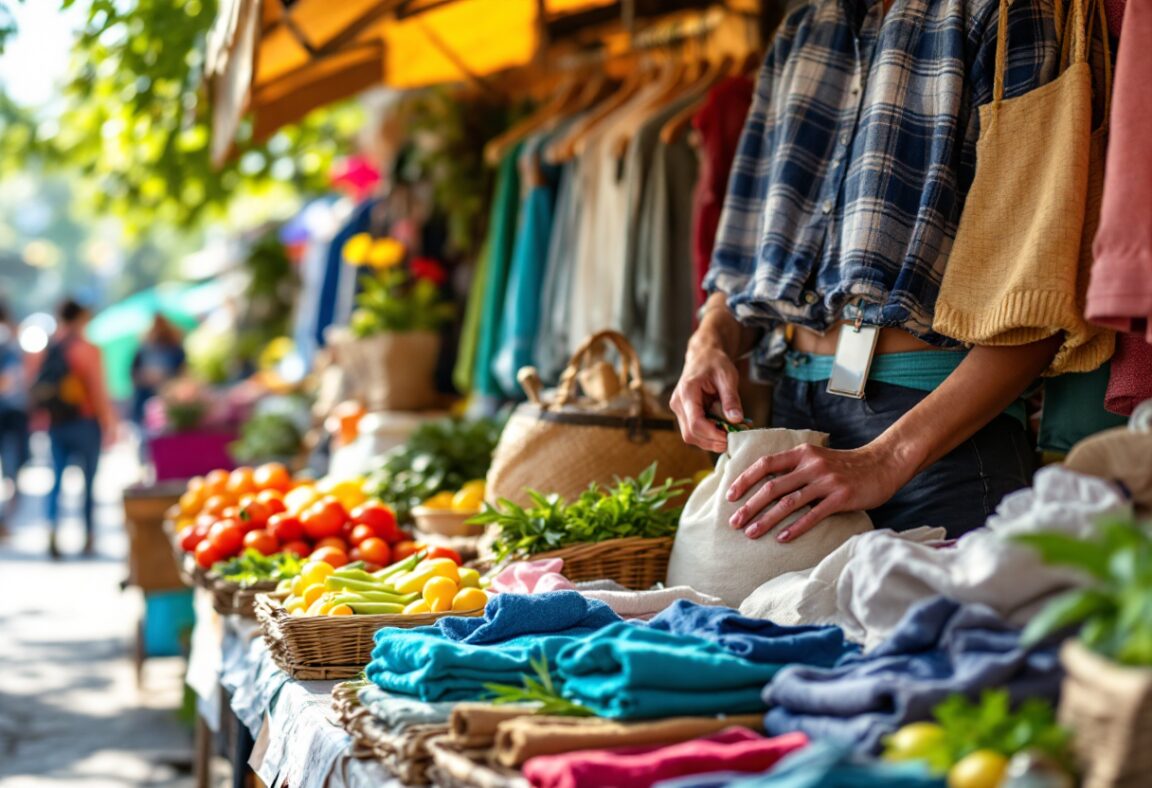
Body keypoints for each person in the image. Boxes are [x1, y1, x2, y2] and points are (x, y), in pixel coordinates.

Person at [671, 0, 1060, 542]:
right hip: (791, 411)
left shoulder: (1000, 13)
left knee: (935, 628)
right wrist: (707, 344)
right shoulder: (802, 30)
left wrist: (888, 457)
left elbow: (1041, 296)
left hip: (933, 431)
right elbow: (737, 269)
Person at [31, 299, 117, 558]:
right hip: (85, 422)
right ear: (81, 317)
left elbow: (36, 387)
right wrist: (109, 423)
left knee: (56, 480)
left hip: (57, 424)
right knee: (88, 482)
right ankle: (89, 536)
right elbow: (98, 390)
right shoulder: (88, 350)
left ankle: (53, 528)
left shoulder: (49, 347)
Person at [0, 303, 29, 535]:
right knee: (11, 470)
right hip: (10, 416)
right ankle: (3, 521)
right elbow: (9, 381)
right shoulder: (8, 341)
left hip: (9, 415)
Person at [130, 314, 186, 427]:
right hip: (146, 395)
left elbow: (181, 372)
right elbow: (133, 374)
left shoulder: (174, 349)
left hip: (168, 396)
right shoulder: (143, 350)